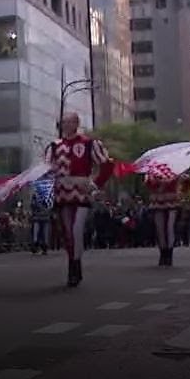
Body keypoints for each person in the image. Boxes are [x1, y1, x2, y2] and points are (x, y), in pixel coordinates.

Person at [43, 112, 114, 287]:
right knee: (67, 232)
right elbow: (45, 170)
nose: (65, 125)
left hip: (82, 192)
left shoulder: (89, 144)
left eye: (68, 122)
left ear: (76, 123)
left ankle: (75, 265)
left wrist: (95, 184)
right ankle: (73, 266)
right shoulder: (54, 146)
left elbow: (107, 164)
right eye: (63, 122)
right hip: (62, 192)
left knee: (76, 229)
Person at [145, 169, 190, 267]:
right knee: (160, 229)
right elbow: (148, 185)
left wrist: (181, 192)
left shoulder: (176, 170)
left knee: (170, 228)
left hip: (172, 202)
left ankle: (169, 254)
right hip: (158, 202)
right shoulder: (152, 172)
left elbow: (186, 183)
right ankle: (163, 253)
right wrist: (157, 183)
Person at [29, 180, 53, 255]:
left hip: (39, 217)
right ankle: (41, 246)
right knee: (43, 233)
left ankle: (38, 245)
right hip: (43, 217)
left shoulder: (37, 196)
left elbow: (32, 205)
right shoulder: (48, 196)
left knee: (38, 232)